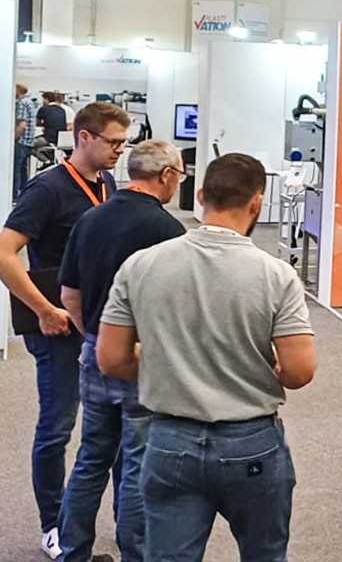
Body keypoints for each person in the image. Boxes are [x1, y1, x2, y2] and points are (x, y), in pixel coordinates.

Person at [96, 153, 317, 562]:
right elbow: (300, 371)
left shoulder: (140, 265)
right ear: (256, 203)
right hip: (251, 442)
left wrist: (167, 364)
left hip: (169, 440)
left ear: (199, 196)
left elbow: (110, 359)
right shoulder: (276, 275)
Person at [0, 102, 128, 560]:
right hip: (55, 326)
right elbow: (4, 253)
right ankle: (52, 525)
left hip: (99, 323)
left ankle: (121, 521)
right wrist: (44, 309)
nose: (120, 150)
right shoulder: (47, 189)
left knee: (114, 425)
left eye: (124, 143)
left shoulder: (108, 183)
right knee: (57, 427)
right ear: (84, 136)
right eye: (113, 142)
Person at [57, 140, 187, 562]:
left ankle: (73, 550)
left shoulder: (90, 218)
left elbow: (69, 295)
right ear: (166, 175)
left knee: (91, 457)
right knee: (138, 462)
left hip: (95, 352)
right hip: (142, 360)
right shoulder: (169, 232)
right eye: (179, 175)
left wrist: (96, 337)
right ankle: (136, 553)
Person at [15, 83, 38, 195]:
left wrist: (13, 139)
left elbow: (22, 125)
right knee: (23, 169)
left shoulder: (22, 103)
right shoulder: (30, 102)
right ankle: (23, 193)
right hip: (29, 141)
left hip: (21, 140)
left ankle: (14, 194)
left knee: (16, 169)